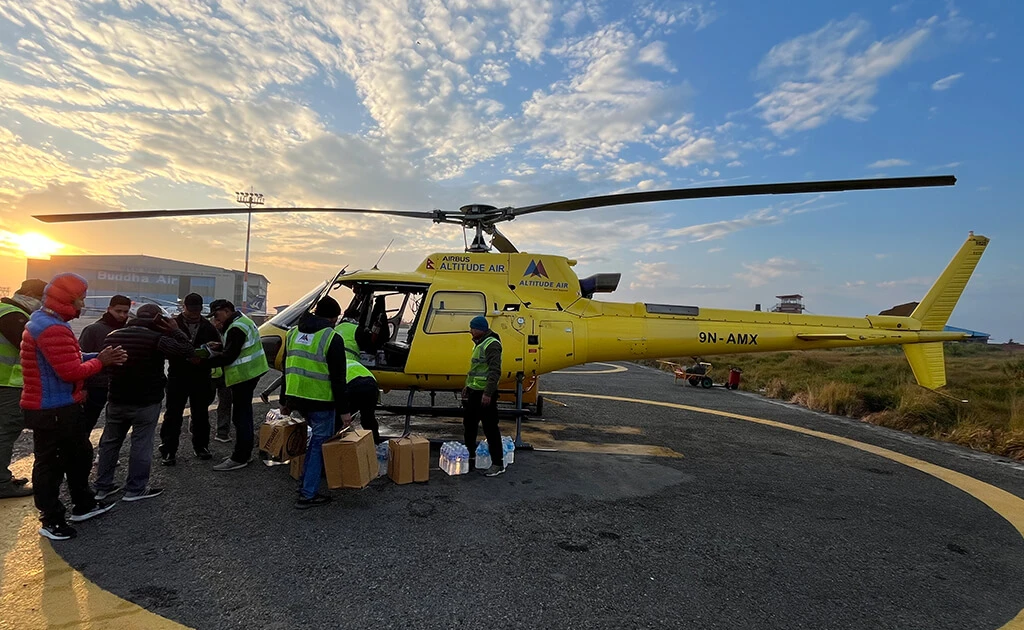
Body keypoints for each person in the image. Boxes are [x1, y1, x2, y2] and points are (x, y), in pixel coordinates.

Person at [20, 273, 127, 540]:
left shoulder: (45, 322)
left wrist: (99, 356)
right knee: (52, 464)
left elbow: (71, 357)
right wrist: (101, 361)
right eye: (81, 299)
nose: (84, 304)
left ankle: (83, 504)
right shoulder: (53, 328)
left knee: (78, 455)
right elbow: (70, 371)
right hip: (53, 409)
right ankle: (51, 519)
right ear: (68, 300)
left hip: (58, 406)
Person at [94, 304, 195, 502]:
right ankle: (135, 488)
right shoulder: (156, 338)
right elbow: (188, 350)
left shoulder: (112, 336)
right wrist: (175, 330)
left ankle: (102, 486)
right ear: (157, 319)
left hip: (116, 397)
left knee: (110, 443)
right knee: (141, 444)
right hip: (146, 400)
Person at [278, 297, 350, 509]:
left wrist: (284, 401)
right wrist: (345, 411)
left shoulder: (292, 334)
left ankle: (304, 485)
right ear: (332, 318)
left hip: (297, 398)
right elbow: (338, 379)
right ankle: (307, 494)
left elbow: (286, 369)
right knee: (319, 445)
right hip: (320, 400)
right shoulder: (331, 338)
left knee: (314, 443)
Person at [206, 299, 269, 471]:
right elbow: (239, 346)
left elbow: (229, 356)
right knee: (244, 414)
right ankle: (244, 453)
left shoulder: (235, 328)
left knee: (241, 417)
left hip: (244, 375)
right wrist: (221, 345)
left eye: (217, 315)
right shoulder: (243, 321)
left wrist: (204, 361)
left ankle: (240, 457)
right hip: (253, 372)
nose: (215, 320)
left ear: (226, 311)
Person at [158, 293, 221, 464]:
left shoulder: (208, 327)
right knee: (173, 414)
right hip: (178, 375)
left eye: (197, 311)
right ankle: (169, 449)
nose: (194, 314)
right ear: (183, 307)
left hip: (201, 375)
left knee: (201, 413)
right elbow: (163, 346)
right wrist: (184, 354)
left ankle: (201, 446)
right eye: (191, 310)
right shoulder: (172, 324)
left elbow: (219, 348)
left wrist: (210, 352)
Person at [0, 279, 46, 499]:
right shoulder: (13, 315)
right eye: (41, 298)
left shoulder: (7, 311)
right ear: (27, 294)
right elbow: (31, 348)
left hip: (5, 382)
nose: (42, 304)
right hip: (7, 384)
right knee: (5, 432)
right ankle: (1, 484)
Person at [78, 295, 131, 432]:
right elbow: (80, 359)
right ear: (109, 309)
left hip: (119, 386)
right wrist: (83, 387)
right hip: (96, 385)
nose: (122, 315)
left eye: (125, 312)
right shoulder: (92, 330)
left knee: (116, 426)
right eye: (118, 311)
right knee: (86, 423)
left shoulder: (127, 331)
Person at [462, 315, 504, 477]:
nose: (470, 331)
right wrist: (468, 386)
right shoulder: (479, 343)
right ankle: (470, 456)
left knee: (490, 429)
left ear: (480, 329)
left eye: (472, 328)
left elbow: (494, 371)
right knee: (469, 426)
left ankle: (497, 463)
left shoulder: (491, 344)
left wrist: (488, 393)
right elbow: (476, 369)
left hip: (484, 395)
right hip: (474, 392)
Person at [209, 315, 233, 443]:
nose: (219, 323)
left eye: (220, 320)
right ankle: (195, 426)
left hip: (225, 373)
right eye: (216, 320)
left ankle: (223, 432)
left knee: (225, 403)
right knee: (203, 402)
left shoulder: (230, 331)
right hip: (210, 374)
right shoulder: (206, 332)